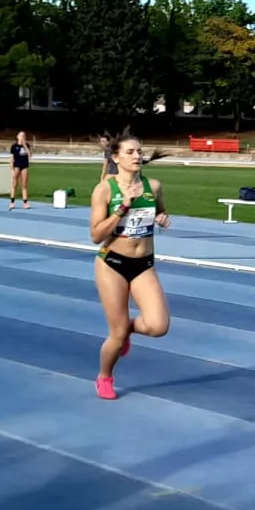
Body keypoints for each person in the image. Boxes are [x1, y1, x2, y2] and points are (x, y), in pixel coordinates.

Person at [89, 131, 172, 400]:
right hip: (112, 263)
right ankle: (104, 376)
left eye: (139, 151)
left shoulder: (154, 186)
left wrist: (161, 218)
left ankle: (127, 331)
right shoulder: (104, 189)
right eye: (130, 152)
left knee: (158, 326)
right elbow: (95, 235)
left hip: (144, 264)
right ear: (116, 158)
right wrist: (123, 207)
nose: (137, 156)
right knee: (117, 332)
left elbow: (159, 209)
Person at [9, 131, 32, 209]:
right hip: (16, 166)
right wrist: (11, 170)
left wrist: (24, 145)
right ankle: (12, 202)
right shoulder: (14, 146)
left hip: (24, 166)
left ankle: (25, 202)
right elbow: (11, 159)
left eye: (24, 136)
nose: (22, 137)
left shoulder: (27, 145)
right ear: (17, 136)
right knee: (14, 185)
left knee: (24, 185)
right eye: (21, 136)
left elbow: (29, 155)